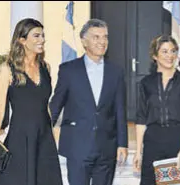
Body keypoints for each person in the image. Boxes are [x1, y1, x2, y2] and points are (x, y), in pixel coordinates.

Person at [49, 19, 128, 185]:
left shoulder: (116, 72)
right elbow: (56, 106)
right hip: (77, 147)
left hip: (107, 148)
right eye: (96, 37)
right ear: (84, 41)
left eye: (105, 37)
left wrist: (123, 144)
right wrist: (43, 134)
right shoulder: (68, 70)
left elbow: (120, 110)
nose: (102, 42)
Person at [0, 18, 63, 185]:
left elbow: (45, 106)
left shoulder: (46, 68)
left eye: (43, 35)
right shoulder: (6, 70)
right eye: (36, 36)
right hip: (20, 138)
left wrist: (51, 135)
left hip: (44, 138)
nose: (42, 40)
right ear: (22, 40)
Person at [133, 35, 180, 185]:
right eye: (165, 52)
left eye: (173, 51)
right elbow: (141, 118)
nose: (170, 56)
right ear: (155, 56)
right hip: (152, 143)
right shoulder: (145, 83)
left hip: (177, 142)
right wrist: (138, 151)